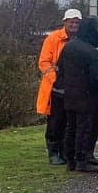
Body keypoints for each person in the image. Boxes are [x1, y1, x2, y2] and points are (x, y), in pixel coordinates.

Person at [58, 17, 98, 173]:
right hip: (88, 96)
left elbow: (60, 69)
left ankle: (71, 161)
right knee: (84, 128)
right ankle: (82, 160)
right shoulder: (91, 51)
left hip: (70, 94)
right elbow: (97, 78)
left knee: (71, 127)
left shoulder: (68, 46)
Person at [37, 8, 82, 165]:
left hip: (75, 88)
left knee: (71, 122)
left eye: (77, 22)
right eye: (71, 21)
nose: (74, 24)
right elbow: (44, 62)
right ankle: (53, 153)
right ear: (65, 22)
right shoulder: (53, 39)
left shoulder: (82, 39)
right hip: (56, 89)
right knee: (55, 122)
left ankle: (66, 151)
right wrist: (56, 79)